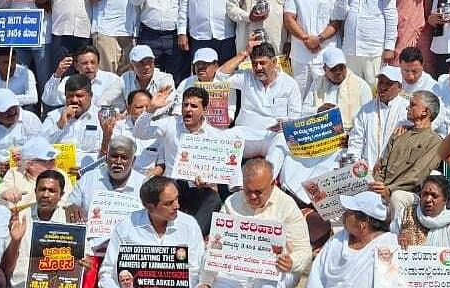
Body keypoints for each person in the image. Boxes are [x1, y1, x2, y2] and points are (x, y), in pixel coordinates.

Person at [198, 158, 312, 288]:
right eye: (248, 190)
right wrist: (206, 282)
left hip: (274, 272)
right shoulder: (232, 203)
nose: (252, 196)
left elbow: (304, 252)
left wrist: (291, 262)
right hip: (234, 271)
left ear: (273, 184)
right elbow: (215, 247)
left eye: (258, 192)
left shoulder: (287, 206)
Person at [133, 86, 232, 232]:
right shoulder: (170, 124)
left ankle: (193, 236)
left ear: (204, 109)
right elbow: (140, 132)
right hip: (172, 185)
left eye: (193, 106)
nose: (188, 109)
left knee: (213, 199)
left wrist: (208, 180)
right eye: (185, 105)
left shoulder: (215, 136)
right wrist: (151, 109)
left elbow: (218, 171)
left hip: (197, 188)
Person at [98, 177, 205, 288]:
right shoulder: (126, 227)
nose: (177, 206)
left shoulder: (189, 225)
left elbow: (197, 270)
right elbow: (107, 273)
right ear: (150, 207)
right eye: (169, 203)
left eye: (177, 199)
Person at [370, 90, 443, 217]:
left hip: (408, 193)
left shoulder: (434, 141)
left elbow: (417, 175)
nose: (407, 107)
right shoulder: (399, 133)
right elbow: (382, 164)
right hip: (384, 189)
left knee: (397, 198)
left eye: (413, 105)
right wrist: (379, 185)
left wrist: (390, 189)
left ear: (425, 111)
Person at [305, 192, 398, 288]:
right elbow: (316, 277)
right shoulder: (337, 240)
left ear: (362, 223)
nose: (343, 215)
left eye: (349, 212)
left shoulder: (389, 245)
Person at [333, 0, 398, 84]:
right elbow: (338, 16)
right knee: (352, 92)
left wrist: (389, 48)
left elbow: (391, 17)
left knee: (374, 92)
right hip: (350, 52)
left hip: (374, 52)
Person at [390, 175, 450, 273]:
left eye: (434, 196)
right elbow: (388, 245)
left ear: (445, 200)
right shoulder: (406, 215)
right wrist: (397, 239)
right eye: (425, 194)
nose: (428, 200)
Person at [0, 169, 69, 288]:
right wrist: (15, 241)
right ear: (35, 191)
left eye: (52, 191)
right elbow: (6, 269)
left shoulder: (69, 221)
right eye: (42, 189)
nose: (45, 195)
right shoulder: (19, 219)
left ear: (61, 195)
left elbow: (83, 262)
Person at [285, 0, 341, 95]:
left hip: (324, 54)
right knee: (298, 94)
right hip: (300, 55)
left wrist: (319, 39)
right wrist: (306, 39)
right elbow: (289, 18)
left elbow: (336, 22)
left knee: (324, 95)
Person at [219, 41, 302, 133]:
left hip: (275, 135)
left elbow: (295, 117)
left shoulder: (290, 84)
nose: (258, 68)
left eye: (262, 63)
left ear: (274, 62)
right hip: (244, 133)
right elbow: (221, 76)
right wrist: (244, 53)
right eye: (255, 63)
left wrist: (284, 125)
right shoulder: (246, 77)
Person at [64, 137, 144, 222]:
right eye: (114, 156)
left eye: (124, 158)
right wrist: (71, 207)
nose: (118, 161)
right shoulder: (88, 179)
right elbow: (71, 203)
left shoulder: (143, 184)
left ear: (133, 160)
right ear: (106, 158)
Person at [349, 66, 409, 167]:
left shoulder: (407, 108)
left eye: (388, 84)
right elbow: (356, 141)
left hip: (396, 170)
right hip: (367, 170)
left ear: (399, 87)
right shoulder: (366, 110)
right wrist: (355, 167)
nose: (382, 87)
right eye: (380, 82)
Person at [42, 73, 103, 169]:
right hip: (59, 173)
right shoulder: (54, 116)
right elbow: (39, 145)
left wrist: (86, 168)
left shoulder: (101, 118)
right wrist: (59, 125)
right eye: (70, 96)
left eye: (79, 96)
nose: (74, 100)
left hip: (91, 172)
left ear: (90, 96)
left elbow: (108, 152)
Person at [0, 89, 44, 169]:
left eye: (14, 108)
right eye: (6, 111)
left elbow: (40, 150)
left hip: (26, 169)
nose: (12, 112)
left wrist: (24, 157)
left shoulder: (31, 119)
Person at [42, 44, 125, 111]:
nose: (89, 67)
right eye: (85, 63)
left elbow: (121, 106)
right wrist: (57, 75)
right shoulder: (69, 80)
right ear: (76, 66)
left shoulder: (112, 80)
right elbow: (48, 100)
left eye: (93, 62)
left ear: (98, 63)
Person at [309, 47, 370, 131]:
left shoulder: (361, 86)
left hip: (352, 134)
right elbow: (304, 111)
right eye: (334, 69)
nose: (338, 72)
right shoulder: (317, 84)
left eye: (341, 68)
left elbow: (368, 117)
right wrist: (318, 111)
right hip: (323, 134)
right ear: (325, 69)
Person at [0, 137, 66, 208]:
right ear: (31, 164)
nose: (54, 164)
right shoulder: (14, 174)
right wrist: (5, 194)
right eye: (49, 161)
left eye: (54, 159)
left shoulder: (61, 175)